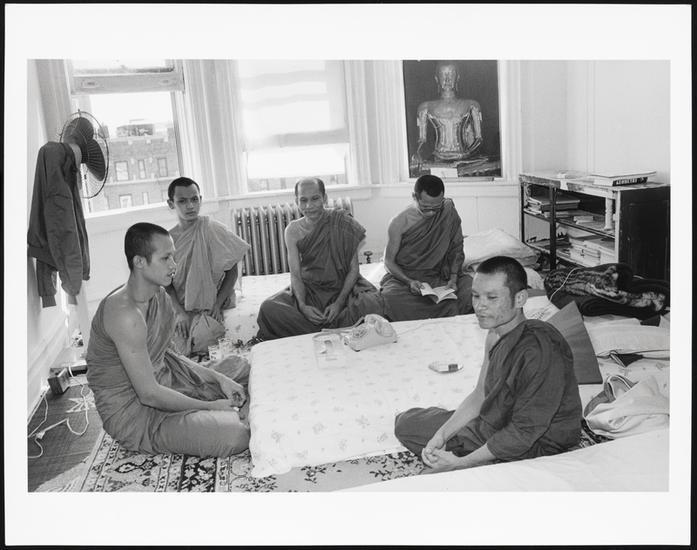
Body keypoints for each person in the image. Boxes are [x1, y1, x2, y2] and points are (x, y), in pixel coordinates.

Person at [394, 256, 583, 473]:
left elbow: (525, 430)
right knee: (406, 424)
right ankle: (476, 454)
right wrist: (442, 435)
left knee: (434, 477)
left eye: (492, 298)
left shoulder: (541, 348)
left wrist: (463, 462)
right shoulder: (495, 334)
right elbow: (480, 395)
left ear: (520, 298)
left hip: (538, 440)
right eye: (476, 296)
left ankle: (481, 460)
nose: (480, 306)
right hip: (494, 421)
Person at [85, 222, 250, 457]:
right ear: (139, 262)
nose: (174, 265)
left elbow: (173, 357)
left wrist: (220, 379)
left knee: (240, 368)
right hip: (138, 413)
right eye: (165, 258)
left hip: (168, 380)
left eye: (173, 256)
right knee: (237, 434)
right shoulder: (125, 314)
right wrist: (210, 406)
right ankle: (206, 414)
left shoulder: (159, 296)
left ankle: (208, 407)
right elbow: (149, 394)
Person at [256, 177, 386, 340]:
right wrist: (303, 306)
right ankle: (337, 331)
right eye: (303, 200)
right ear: (296, 202)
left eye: (315, 199)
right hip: (311, 288)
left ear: (324, 198)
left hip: (344, 287)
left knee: (372, 304)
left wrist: (339, 302)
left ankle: (315, 333)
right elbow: (295, 275)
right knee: (269, 308)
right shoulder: (293, 230)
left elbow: (353, 270)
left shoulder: (342, 222)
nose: (309, 206)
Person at [165, 177, 250, 353]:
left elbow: (232, 271)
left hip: (211, 301)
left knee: (206, 337)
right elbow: (166, 282)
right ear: (171, 204)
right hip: (180, 304)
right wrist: (179, 312)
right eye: (182, 201)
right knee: (172, 344)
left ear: (200, 200)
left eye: (194, 199)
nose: (190, 206)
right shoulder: (167, 240)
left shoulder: (212, 229)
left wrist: (217, 304)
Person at [380, 174, 473, 321]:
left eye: (436, 208)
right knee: (390, 298)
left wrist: (454, 278)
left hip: (440, 274)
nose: (431, 213)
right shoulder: (399, 222)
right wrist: (409, 281)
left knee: (471, 290)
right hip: (407, 277)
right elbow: (388, 262)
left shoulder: (448, 210)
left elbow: (456, 247)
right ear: (414, 197)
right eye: (425, 208)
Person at [411, 61, 483, 170]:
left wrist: (466, 155)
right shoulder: (425, 107)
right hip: (438, 159)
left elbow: (479, 140)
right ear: (437, 79)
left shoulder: (472, 105)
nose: (447, 79)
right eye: (443, 74)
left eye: (451, 74)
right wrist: (418, 155)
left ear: (457, 77)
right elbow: (422, 141)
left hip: (465, 160)